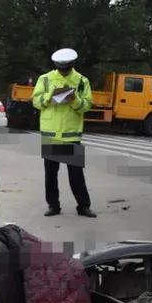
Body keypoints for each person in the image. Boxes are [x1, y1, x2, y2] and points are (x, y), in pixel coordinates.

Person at [32, 48, 96, 218]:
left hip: (71, 135)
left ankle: (83, 206)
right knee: (50, 174)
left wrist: (74, 100)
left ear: (72, 65)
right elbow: (36, 102)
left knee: (76, 174)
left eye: (66, 68)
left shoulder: (82, 81)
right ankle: (53, 205)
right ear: (56, 66)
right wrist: (49, 98)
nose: (64, 71)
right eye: (61, 68)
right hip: (51, 135)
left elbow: (88, 105)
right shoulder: (45, 79)